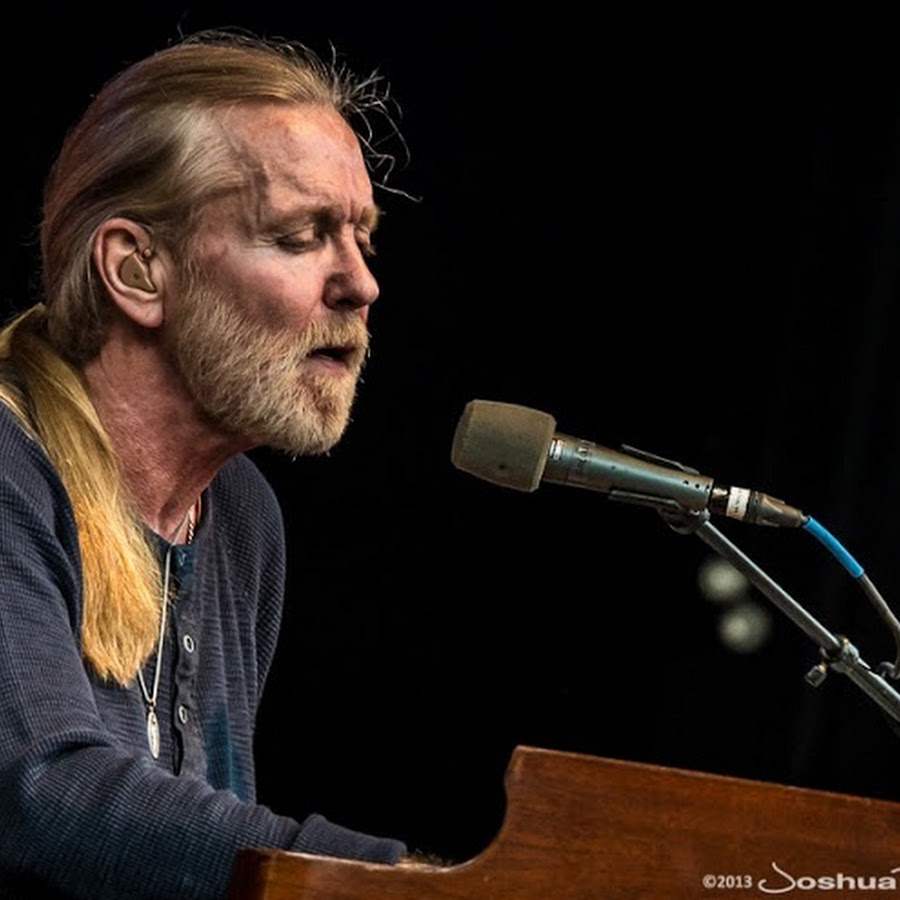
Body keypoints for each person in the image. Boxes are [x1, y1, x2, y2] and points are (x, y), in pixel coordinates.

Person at [0, 29, 415, 899]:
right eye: (301, 236)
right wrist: (394, 885)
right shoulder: (10, 466)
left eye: (362, 239)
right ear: (137, 270)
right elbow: (39, 793)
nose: (360, 285)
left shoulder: (243, 517)